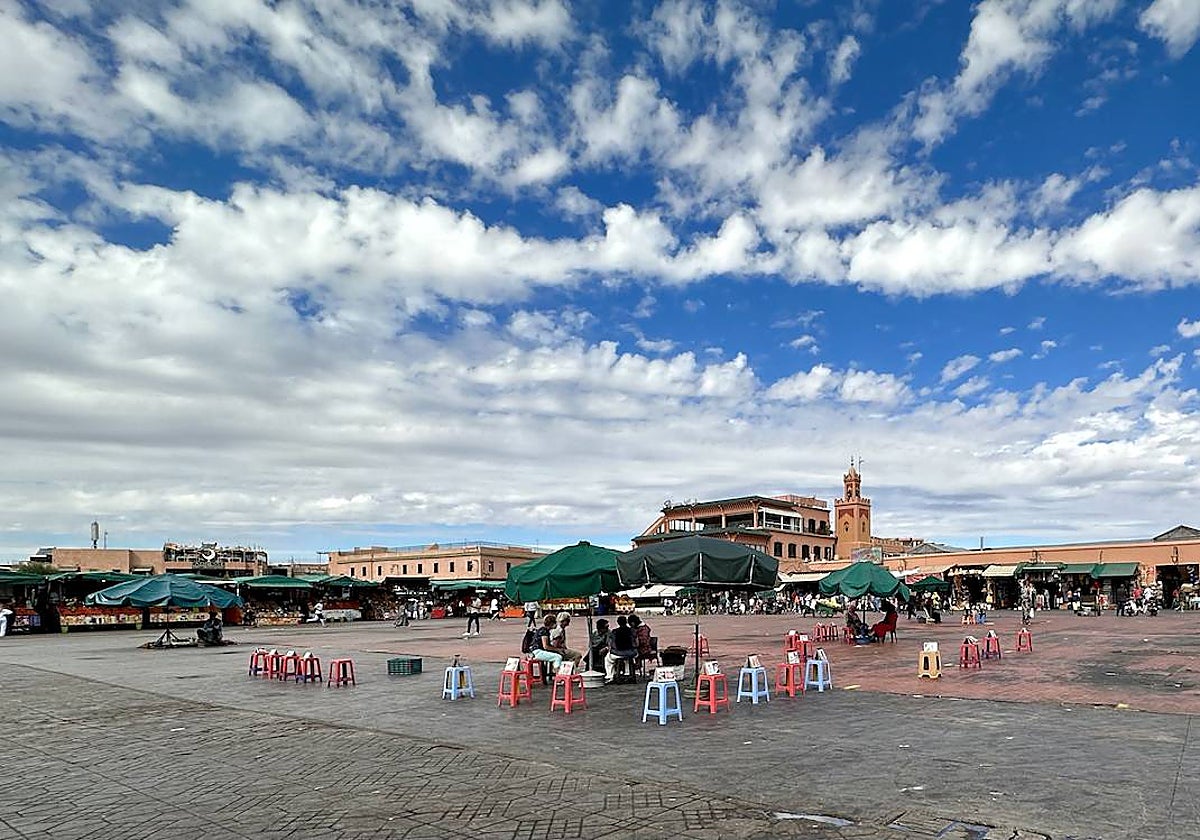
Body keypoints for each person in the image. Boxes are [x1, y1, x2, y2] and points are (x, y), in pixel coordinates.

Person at [604, 615, 637, 683]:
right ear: (626, 622)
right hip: (631, 653)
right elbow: (636, 643)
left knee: (607, 659)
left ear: (618, 622)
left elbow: (612, 644)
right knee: (628, 658)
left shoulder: (615, 632)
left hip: (618, 653)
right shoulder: (632, 630)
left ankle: (610, 676)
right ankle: (628, 674)